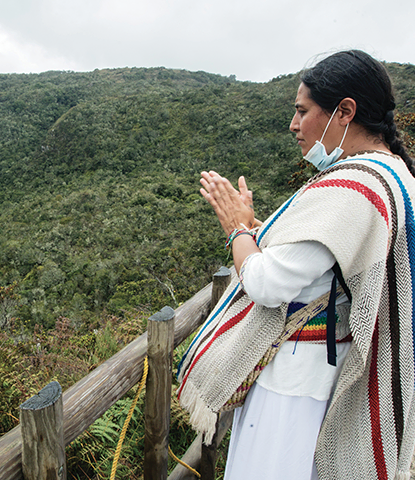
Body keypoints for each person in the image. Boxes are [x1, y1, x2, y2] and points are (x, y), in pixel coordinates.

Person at [176, 50, 415, 480]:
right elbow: (325, 257)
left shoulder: (352, 186)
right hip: (330, 368)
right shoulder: (394, 175)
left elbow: (268, 282)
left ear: (344, 112)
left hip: (295, 382)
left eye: (302, 111)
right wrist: (255, 228)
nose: (294, 125)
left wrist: (238, 232)